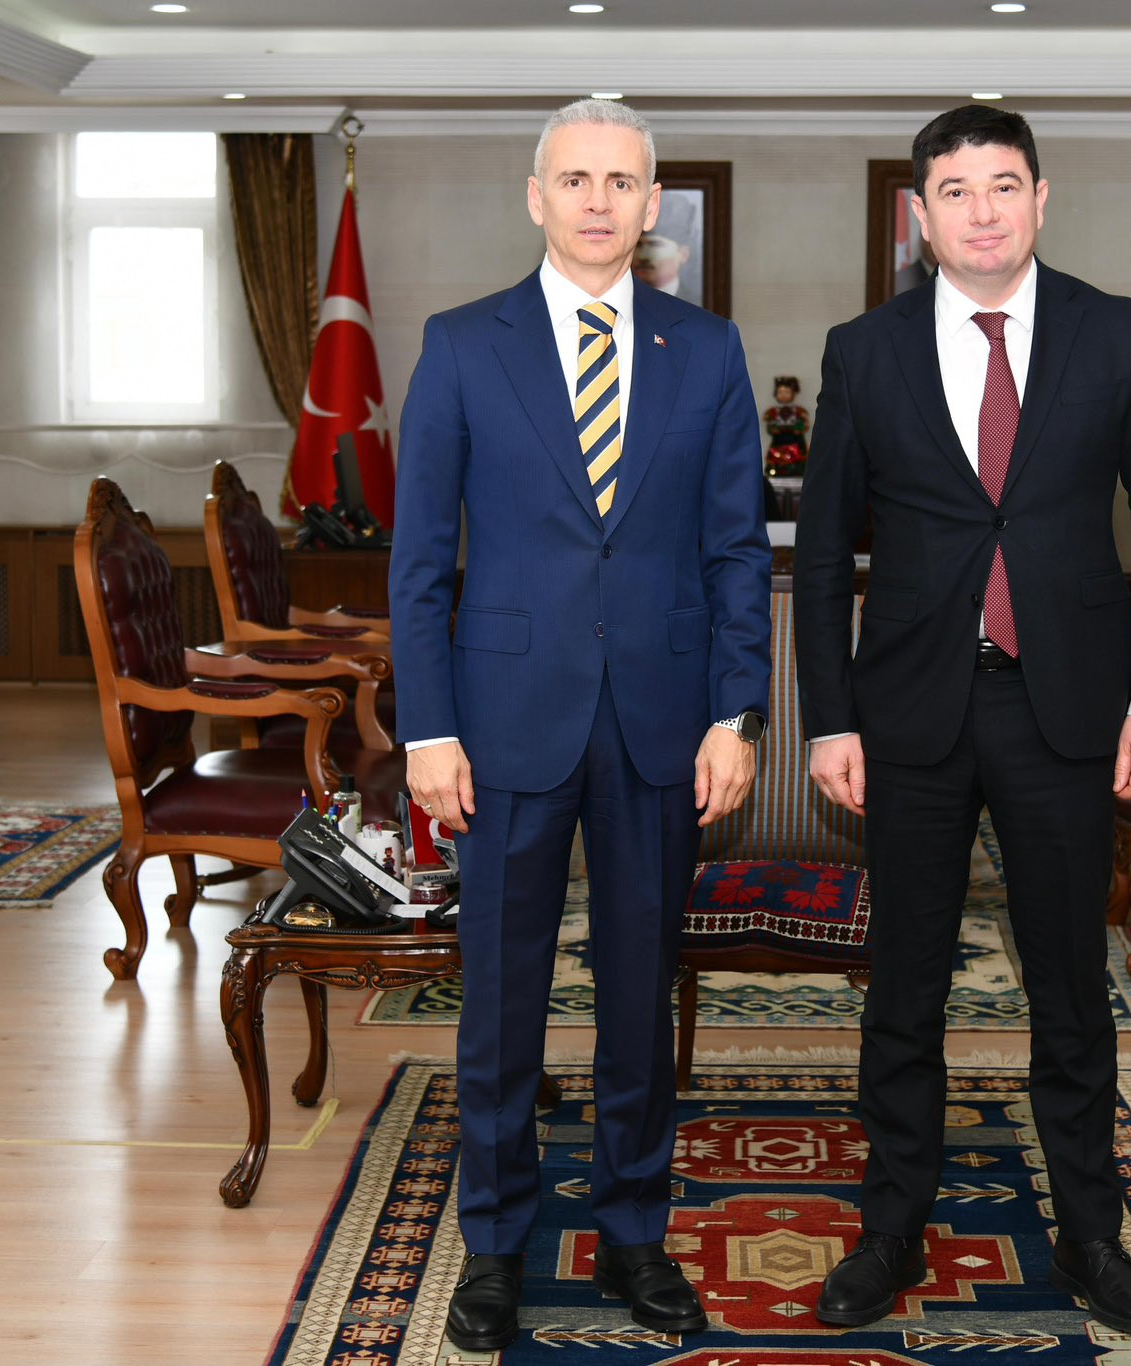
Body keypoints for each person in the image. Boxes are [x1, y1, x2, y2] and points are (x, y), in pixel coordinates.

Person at [793, 104, 1131, 1338]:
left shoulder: (1112, 332)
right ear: (919, 213)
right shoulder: (863, 351)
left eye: (1004, 185)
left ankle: (1089, 1231)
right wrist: (827, 719)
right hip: (908, 711)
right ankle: (889, 1226)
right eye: (956, 191)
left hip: (1065, 708)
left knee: (1070, 985)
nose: (981, 211)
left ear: (1040, 199)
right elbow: (823, 554)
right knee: (903, 987)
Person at [388, 98, 772, 1353]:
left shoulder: (704, 349)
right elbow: (419, 560)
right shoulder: (461, 344)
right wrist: (426, 730)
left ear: (650, 203)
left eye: (620, 181)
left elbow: (734, 550)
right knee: (500, 999)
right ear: (535, 196)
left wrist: (735, 713)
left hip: (662, 722)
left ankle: (633, 1230)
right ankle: (495, 1242)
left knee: (638, 993)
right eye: (574, 178)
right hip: (499, 723)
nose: (598, 200)